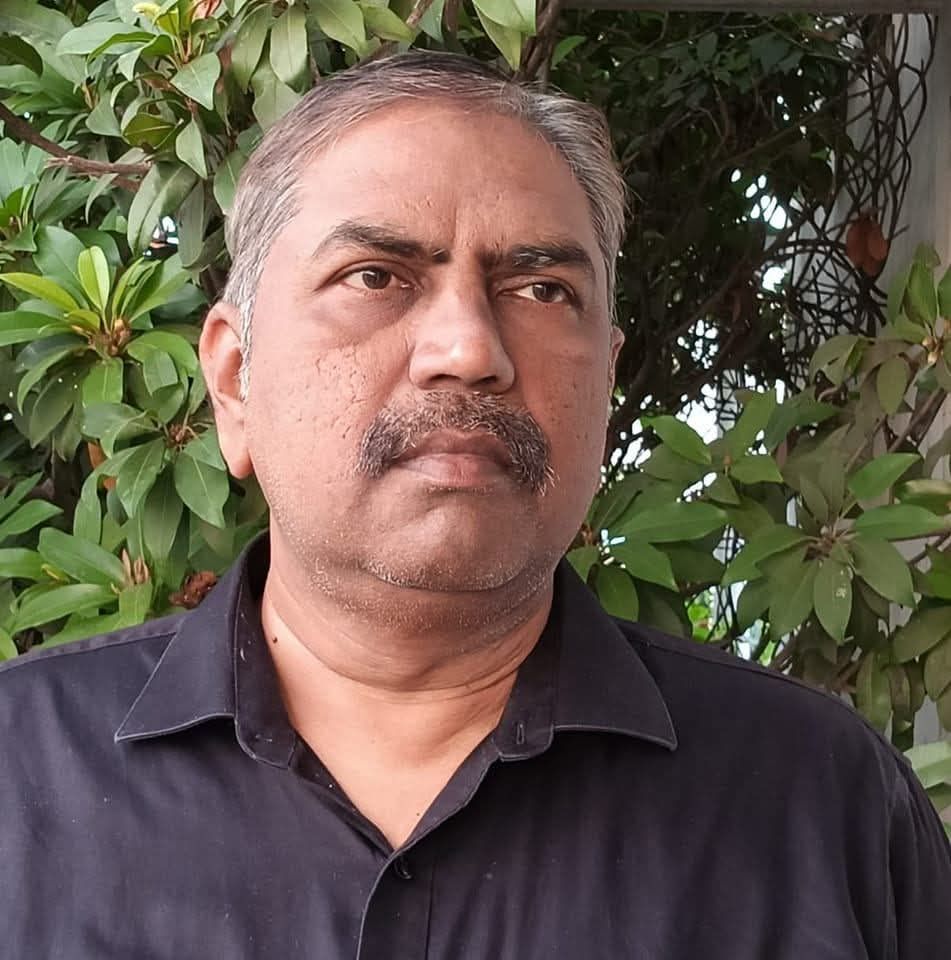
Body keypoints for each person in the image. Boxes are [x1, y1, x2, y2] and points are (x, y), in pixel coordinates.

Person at [1, 51, 949, 959]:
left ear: (606, 381)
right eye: (375, 277)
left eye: (540, 289)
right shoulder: (19, 776)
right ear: (234, 381)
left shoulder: (822, 807)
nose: (468, 350)